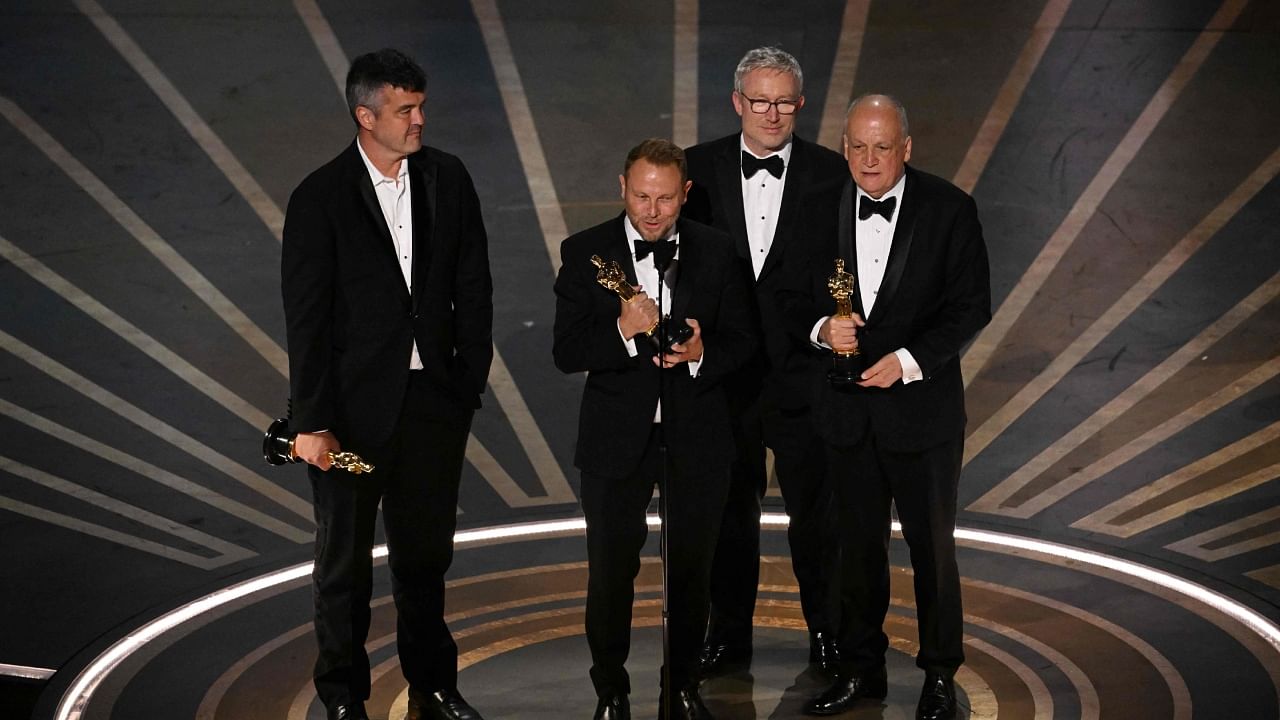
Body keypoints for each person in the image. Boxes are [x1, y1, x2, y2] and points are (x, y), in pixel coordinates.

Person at [282, 48, 493, 720]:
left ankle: (433, 683)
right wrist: (311, 423)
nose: (419, 119)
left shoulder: (448, 179)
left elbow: (474, 287)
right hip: (346, 418)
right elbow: (307, 321)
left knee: (425, 560)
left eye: (421, 105)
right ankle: (343, 700)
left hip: (432, 407)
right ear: (364, 115)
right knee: (342, 570)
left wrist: (464, 382)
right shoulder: (319, 198)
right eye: (405, 109)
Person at [778, 95, 990, 720]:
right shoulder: (816, 208)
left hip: (922, 416)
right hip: (844, 414)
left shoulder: (950, 209)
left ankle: (940, 676)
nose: (870, 161)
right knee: (854, 550)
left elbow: (969, 306)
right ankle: (859, 671)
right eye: (858, 147)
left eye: (883, 146)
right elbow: (786, 297)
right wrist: (822, 329)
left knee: (932, 551)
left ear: (907, 147)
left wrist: (909, 360)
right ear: (844, 148)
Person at [552, 138, 756, 720]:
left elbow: (745, 341)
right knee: (611, 571)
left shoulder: (716, 252)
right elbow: (566, 350)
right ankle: (611, 691)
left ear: (684, 195)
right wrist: (621, 328)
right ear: (622, 187)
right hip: (616, 441)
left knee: (692, 569)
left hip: (697, 438)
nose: (651, 210)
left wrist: (699, 351)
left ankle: (684, 685)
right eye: (641, 196)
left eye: (665, 199)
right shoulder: (585, 251)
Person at [683, 46, 848, 676]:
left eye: (784, 102)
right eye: (760, 101)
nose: (772, 113)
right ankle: (727, 635)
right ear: (737, 103)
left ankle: (828, 635)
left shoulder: (833, 175)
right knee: (728, 513)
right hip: (724, 377)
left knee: (817, 514)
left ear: (799, 105)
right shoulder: (694, 170)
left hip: (805, 377)